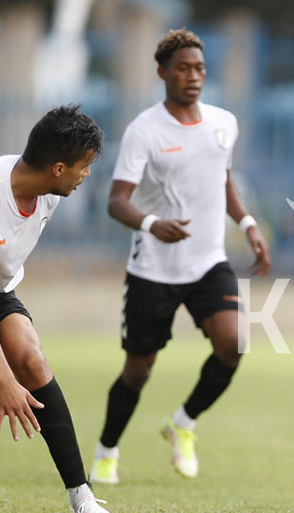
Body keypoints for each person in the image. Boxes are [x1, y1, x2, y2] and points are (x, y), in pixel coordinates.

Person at [89, 28, 270, 484]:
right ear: (162, 73)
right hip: (153, 269)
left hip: (208, 261)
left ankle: (183, 423)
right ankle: (107, 450)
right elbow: (116, 201)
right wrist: (152, 224)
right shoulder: (144, 130)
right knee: (138, 370)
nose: (193, 77)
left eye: (200, 69)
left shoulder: (223, 122)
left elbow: (221, 180)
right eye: (184, 68)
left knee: (233, 345)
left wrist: (247, 224)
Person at [0, 106, 121, 513]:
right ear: (58, 167)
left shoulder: (49, 193)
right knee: (14, 369)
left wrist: (14, 370)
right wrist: (4, 382)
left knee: (31, 358)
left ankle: (83, 498)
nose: (86, 177)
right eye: (83, 168)